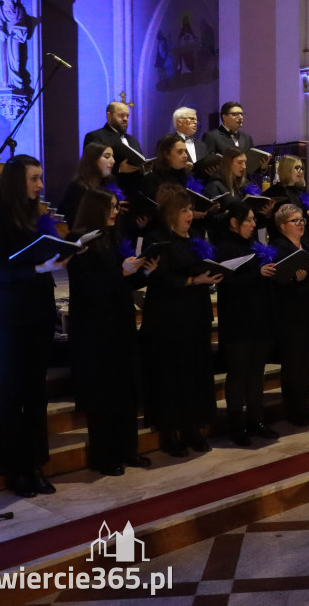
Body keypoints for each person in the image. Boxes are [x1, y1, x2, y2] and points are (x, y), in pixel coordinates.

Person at [0, 155, 70, 497]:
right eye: (35, 178)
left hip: (38, 310)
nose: (40, 185)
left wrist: (59, 257)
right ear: (19, 180)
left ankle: (35, 465)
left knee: (36, 393)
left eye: (41, 178)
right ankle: (13, 469)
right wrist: (37, 269)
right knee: (14, 390)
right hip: (8, 314)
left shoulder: (36, 213)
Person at [67, 188, 154, 476]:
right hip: (95, 327)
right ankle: (103, 456)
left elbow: (122, 284)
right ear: (95, 209)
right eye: (111, 207)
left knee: (125, 391)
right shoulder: (78, 242)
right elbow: (87, 288)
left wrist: (143, 272)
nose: (116, 211)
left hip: (120, 321)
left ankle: (129, 450)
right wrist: (122, 273)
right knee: (103, 394)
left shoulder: (112, 238)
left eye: (117, 206)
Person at [141, 192, 222, 457]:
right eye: (184, 210)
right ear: (171, 214)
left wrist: (210, 275)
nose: (189, 215)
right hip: (169, 317)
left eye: (190, 210)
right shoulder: (158, 239)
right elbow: (157, 277)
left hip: (195, 315)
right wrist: (190, 282)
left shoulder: (196, 238)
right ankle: (169, 433)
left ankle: (192, 427)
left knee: (195, 373)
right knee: (171, 375)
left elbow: (202, 266)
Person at [214, 202, 279, 446]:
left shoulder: (254, 245)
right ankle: (236, 424)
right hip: (237, 321)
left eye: (254, 220)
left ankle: (257, 420)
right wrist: (257, 274)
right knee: (238, 374)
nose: (253, 224)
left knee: (256, 373)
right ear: (233, 222)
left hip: (259, 317)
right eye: (248, 220)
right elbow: (225, 282)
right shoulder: (224, 247)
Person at [270, 204, 309, 426]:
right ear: (282, 226)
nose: (300, 224)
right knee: (293, 364)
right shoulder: (278, 248)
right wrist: (308, 277)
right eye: (295, 221)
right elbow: (279, 284)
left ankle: (305, 407)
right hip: (291, 315)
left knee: (307, 363)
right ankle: (294, 410)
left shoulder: (308, 244)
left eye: (301, 220)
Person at [83, 102, 145, 196]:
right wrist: (119, 169)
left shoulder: (133, 140)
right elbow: (91, 166)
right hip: (108, 194)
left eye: (127, 116)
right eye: (121, 115)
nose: (125, 119)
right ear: (109, 115)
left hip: (135, 196)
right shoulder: (95, 136)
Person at [59, 142, 119, 227]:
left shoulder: (109, 184)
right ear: (93, 160)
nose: (113, 161)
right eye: (106, 156)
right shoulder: (77, 188)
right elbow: (75, 222)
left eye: (112, 156)